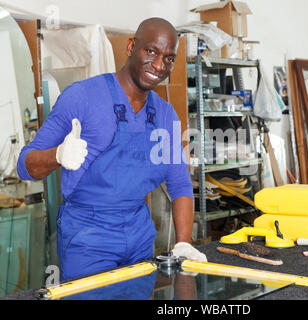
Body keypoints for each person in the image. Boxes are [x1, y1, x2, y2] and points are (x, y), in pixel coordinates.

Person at [17, 17, 206, 282]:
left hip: (140, 235)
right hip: (88, 237)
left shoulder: (165, 115)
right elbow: (25, 165)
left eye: (169, 58)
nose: (160, 65)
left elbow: (180, 185)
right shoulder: (81, 97)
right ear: (131, 47)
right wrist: (57, 154)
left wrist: (183, 243)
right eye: (151, 51)